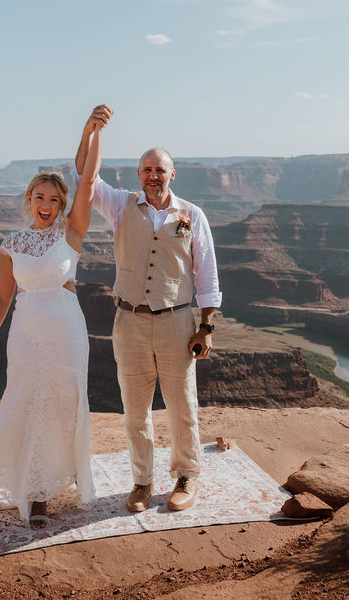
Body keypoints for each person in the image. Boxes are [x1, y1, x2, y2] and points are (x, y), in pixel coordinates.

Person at [0, 104, 112, 529]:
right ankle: (35, 493)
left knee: (63, 407)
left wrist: (90, 131)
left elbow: (87, 179)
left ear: (61, 204)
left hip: (67, 333)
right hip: (26, 334)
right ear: (28, 200)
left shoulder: (72, 232)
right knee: (28, 406)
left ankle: (58, 481)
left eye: (54, 199)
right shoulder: (11, 244)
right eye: (39, 197)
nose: (46, 204)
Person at [74, 123, 221, 513]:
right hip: (130, 322)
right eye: (146, 170)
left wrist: (206, 327)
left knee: (181, 406)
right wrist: (90, 131)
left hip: (177, 321)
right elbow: (82, 175)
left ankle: (186, 476)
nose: (153, 176)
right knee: (135, 410)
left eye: (160, 170)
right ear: (138, 176)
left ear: (172, 175)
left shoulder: (192, 215)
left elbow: (206, 274)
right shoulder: (121, 205)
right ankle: (142, 482)